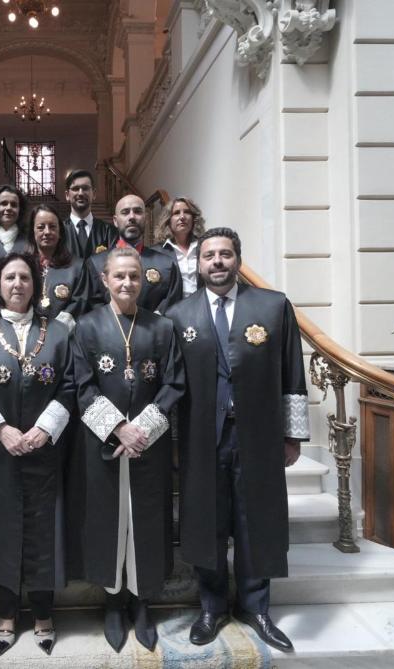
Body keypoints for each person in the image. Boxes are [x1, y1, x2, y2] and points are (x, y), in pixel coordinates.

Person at [166, 228, 308, 653]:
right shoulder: (179, 315)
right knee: (206, 521)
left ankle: (255, 606)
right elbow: (172, 386)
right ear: (198, 264)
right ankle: (211, 607)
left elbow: (292, 372)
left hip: (258, 435)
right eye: (209, 255)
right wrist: (172, 442)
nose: (217, 261)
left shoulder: (273, 306)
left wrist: (292, 435)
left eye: (225, 254)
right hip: (200, 438)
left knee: (255, 519)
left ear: (238, 260)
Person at [0, 252, 76, 657]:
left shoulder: (57, 331)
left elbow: (69, 385)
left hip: (44, 451)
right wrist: (1, 430)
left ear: (35, 285)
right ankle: (6, 613)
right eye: (10, 277)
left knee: (43, 531)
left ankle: (43, 613)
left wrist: (44, 429)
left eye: (25, 277)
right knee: (1, 529)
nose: (18, 284)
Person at [72, 247, 185, 652]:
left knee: (147, 523)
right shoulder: (86, 327)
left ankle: (142, 603)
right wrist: (119, 429)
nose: (127, 283)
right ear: (104, 280)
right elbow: (82, 385)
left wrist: (142, 430)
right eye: (119, 276)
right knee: (108, 520)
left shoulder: (162, 327)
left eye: (134, 276)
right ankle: (113, 602)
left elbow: (174, 383)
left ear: (143, 280)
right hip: (103, 444)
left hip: (148, 446)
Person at [88, 194, 182, 314]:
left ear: (146, 219)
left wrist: (154, 321)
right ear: (115, 221)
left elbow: (173, 303)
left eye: (137, 211)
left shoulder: (167, 264)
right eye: (125, 212)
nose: (132, 217)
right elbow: (93, 305)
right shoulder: (95, 263)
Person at [24, 203, 94, 330]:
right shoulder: (22, 265)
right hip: (27, 332)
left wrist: (56, 331)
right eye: (40, 227)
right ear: (32, 232)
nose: (47, 232)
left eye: (52, 227)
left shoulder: (77, 267)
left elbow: (79, 303)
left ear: (60, 232)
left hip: (64, 335)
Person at [156, 196, 205, 298]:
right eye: (176, 213)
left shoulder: (204, 247)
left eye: (187, 212)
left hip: (201, 305)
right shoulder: (157, 253)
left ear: (194, 218)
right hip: (172, 307)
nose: (182, 217)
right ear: (168, 220)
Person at [63, 169, 118, 259]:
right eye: (75, 189)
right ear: (67, 195)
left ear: (94, 194)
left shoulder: (109, 231)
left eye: (85, 188)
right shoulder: (59, 231)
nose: (81, 193)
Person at [0, 184, 30, 265]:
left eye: (14, 205)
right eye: (4, 203)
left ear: (20, 210)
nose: (9, 208)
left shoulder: (30, 241)